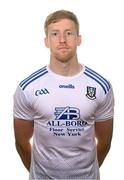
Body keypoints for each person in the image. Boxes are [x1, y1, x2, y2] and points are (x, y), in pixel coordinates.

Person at [13, 9, 114, 180]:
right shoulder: (27, 87)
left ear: (79, 39)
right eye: (55, 34)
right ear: (46, 41)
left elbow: (104, 141)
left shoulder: (100, 86)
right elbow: (21, 142)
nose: (62, 40)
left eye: (69, 33)